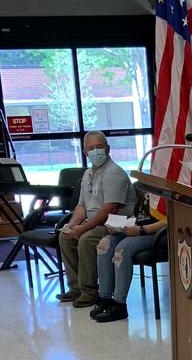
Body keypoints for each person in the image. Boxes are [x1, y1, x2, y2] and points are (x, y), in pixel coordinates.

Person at [57, 131, 135, 308]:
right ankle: (76, 287)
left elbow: (110, 209)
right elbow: (82, 207)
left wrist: (82, 229)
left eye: (100, 147)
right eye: (91, 148)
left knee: (86, 239)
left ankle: (89, 291)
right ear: (85, 152)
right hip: (95, 221)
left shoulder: (114, 173)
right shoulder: (88, 174)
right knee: (65, 236)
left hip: (116, 222)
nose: (96, 151)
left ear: (108, 149)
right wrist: (72, 225)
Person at [92, 218, 163, 323]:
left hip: (156, 232)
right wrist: (120, 227)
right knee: (104, 244)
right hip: (137, 227)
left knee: (122, 250)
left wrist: (142, 229)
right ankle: (105, 298)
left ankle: (119, 305)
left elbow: (168, 219)